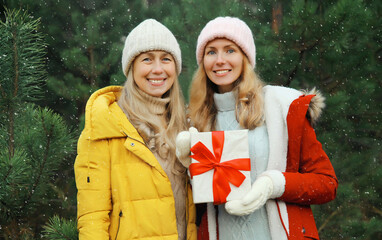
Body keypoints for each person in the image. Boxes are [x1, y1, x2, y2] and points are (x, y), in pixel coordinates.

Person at [176, 16, 338, 240]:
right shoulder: (194, 119)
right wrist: (190, 168)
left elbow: (326, 184)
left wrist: (274, 184)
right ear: (202, 61)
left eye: (230, 50)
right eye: (211, 52)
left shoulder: (281, 107)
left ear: (245, 58)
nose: (220, 60)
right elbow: (196, 205)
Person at [74, 19, 197, 240]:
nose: (158, 69)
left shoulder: (187, 125)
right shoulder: (107, 125)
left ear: (175, 67)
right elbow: (93, 216)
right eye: (147, 59)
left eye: (166, 59)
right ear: (132, 67)